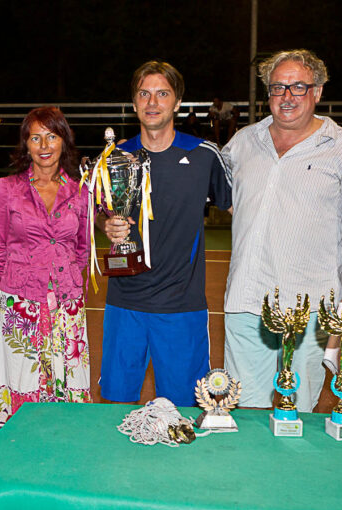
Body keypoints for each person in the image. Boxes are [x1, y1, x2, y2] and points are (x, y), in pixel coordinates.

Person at [222, 49, 342, 412]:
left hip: (312, 309)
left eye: (298, 87)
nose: (287, 96)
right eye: (278, 87)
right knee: (243, 413)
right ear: (268, 94)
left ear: (318, 91)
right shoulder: (243, 142)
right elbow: (212, 189)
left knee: (299, 416)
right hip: (246, 302)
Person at [97, 61, 232, 406]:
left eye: (162, 94)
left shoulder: (204, 155)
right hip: (124, 303)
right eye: (144, 94)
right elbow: (100, 212)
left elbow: (239, 210)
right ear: (133, 102)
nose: (152, 102)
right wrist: (107, 225)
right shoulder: (115, 158)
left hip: (181, 306)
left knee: (184, 409)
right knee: (115, 405)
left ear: (177, 102)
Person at [0, 107, 91, 452]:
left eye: (52, 136)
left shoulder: (80, 191)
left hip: (68, 307)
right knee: (21, 383)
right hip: (20, 306)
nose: (44, 145)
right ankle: (14, 456)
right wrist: (13, 291)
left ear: (64, 142)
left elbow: (83, 248)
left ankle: (62, 455)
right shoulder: (6, 189)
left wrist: (71, 289)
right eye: (35, 137)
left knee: (66, 382)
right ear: (25, 144)